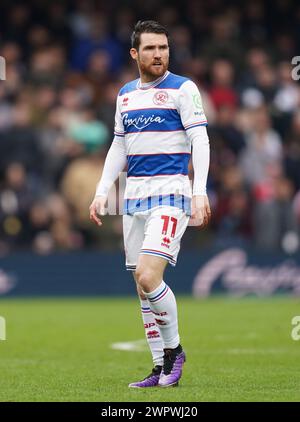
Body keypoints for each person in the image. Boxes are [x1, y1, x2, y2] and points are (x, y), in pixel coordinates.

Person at [89, 20, 211, 388]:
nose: (158, 54)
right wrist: (101, 190)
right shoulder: (125, 94)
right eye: (150, 49)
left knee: (148, 275)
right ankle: (160, 367)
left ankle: (175, 352)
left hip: (170, 196)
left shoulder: (183, 88)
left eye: (163, 47)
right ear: (134, 54)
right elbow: (118, 146)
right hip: (133, 198)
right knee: (141, 287)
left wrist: (199, 190)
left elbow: (200, 140)